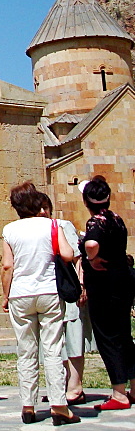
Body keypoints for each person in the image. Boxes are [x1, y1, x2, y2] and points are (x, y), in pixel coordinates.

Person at [1, 181, 79, 426]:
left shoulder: (10, 230)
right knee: (53, 348)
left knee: (26, 350)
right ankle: (58, 406)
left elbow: (7, 266)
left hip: (20, 293)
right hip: (48, 291)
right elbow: (68, 254)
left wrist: (6, 296)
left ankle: (28, 405)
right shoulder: (52, 225)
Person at [80, 175, 135, 410]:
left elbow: (92, 244)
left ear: (87, 201)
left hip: (104, 286)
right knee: (124, 336)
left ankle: (119, 393)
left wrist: (90, 259)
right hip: (123, 281)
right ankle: (133, 386)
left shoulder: (95, 222)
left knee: (108, 338)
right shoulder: (117, 219)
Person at [37, 192, 91, 404]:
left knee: (74, 336)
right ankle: (64, 384)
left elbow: (78, 259)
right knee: (56, 341)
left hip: (69, 289)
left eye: (45, 207)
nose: (42, 212)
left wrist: (82, 286)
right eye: (38, 208)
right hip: (50, 292)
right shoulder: (36, 231)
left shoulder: (62, 225)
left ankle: (76, 386)